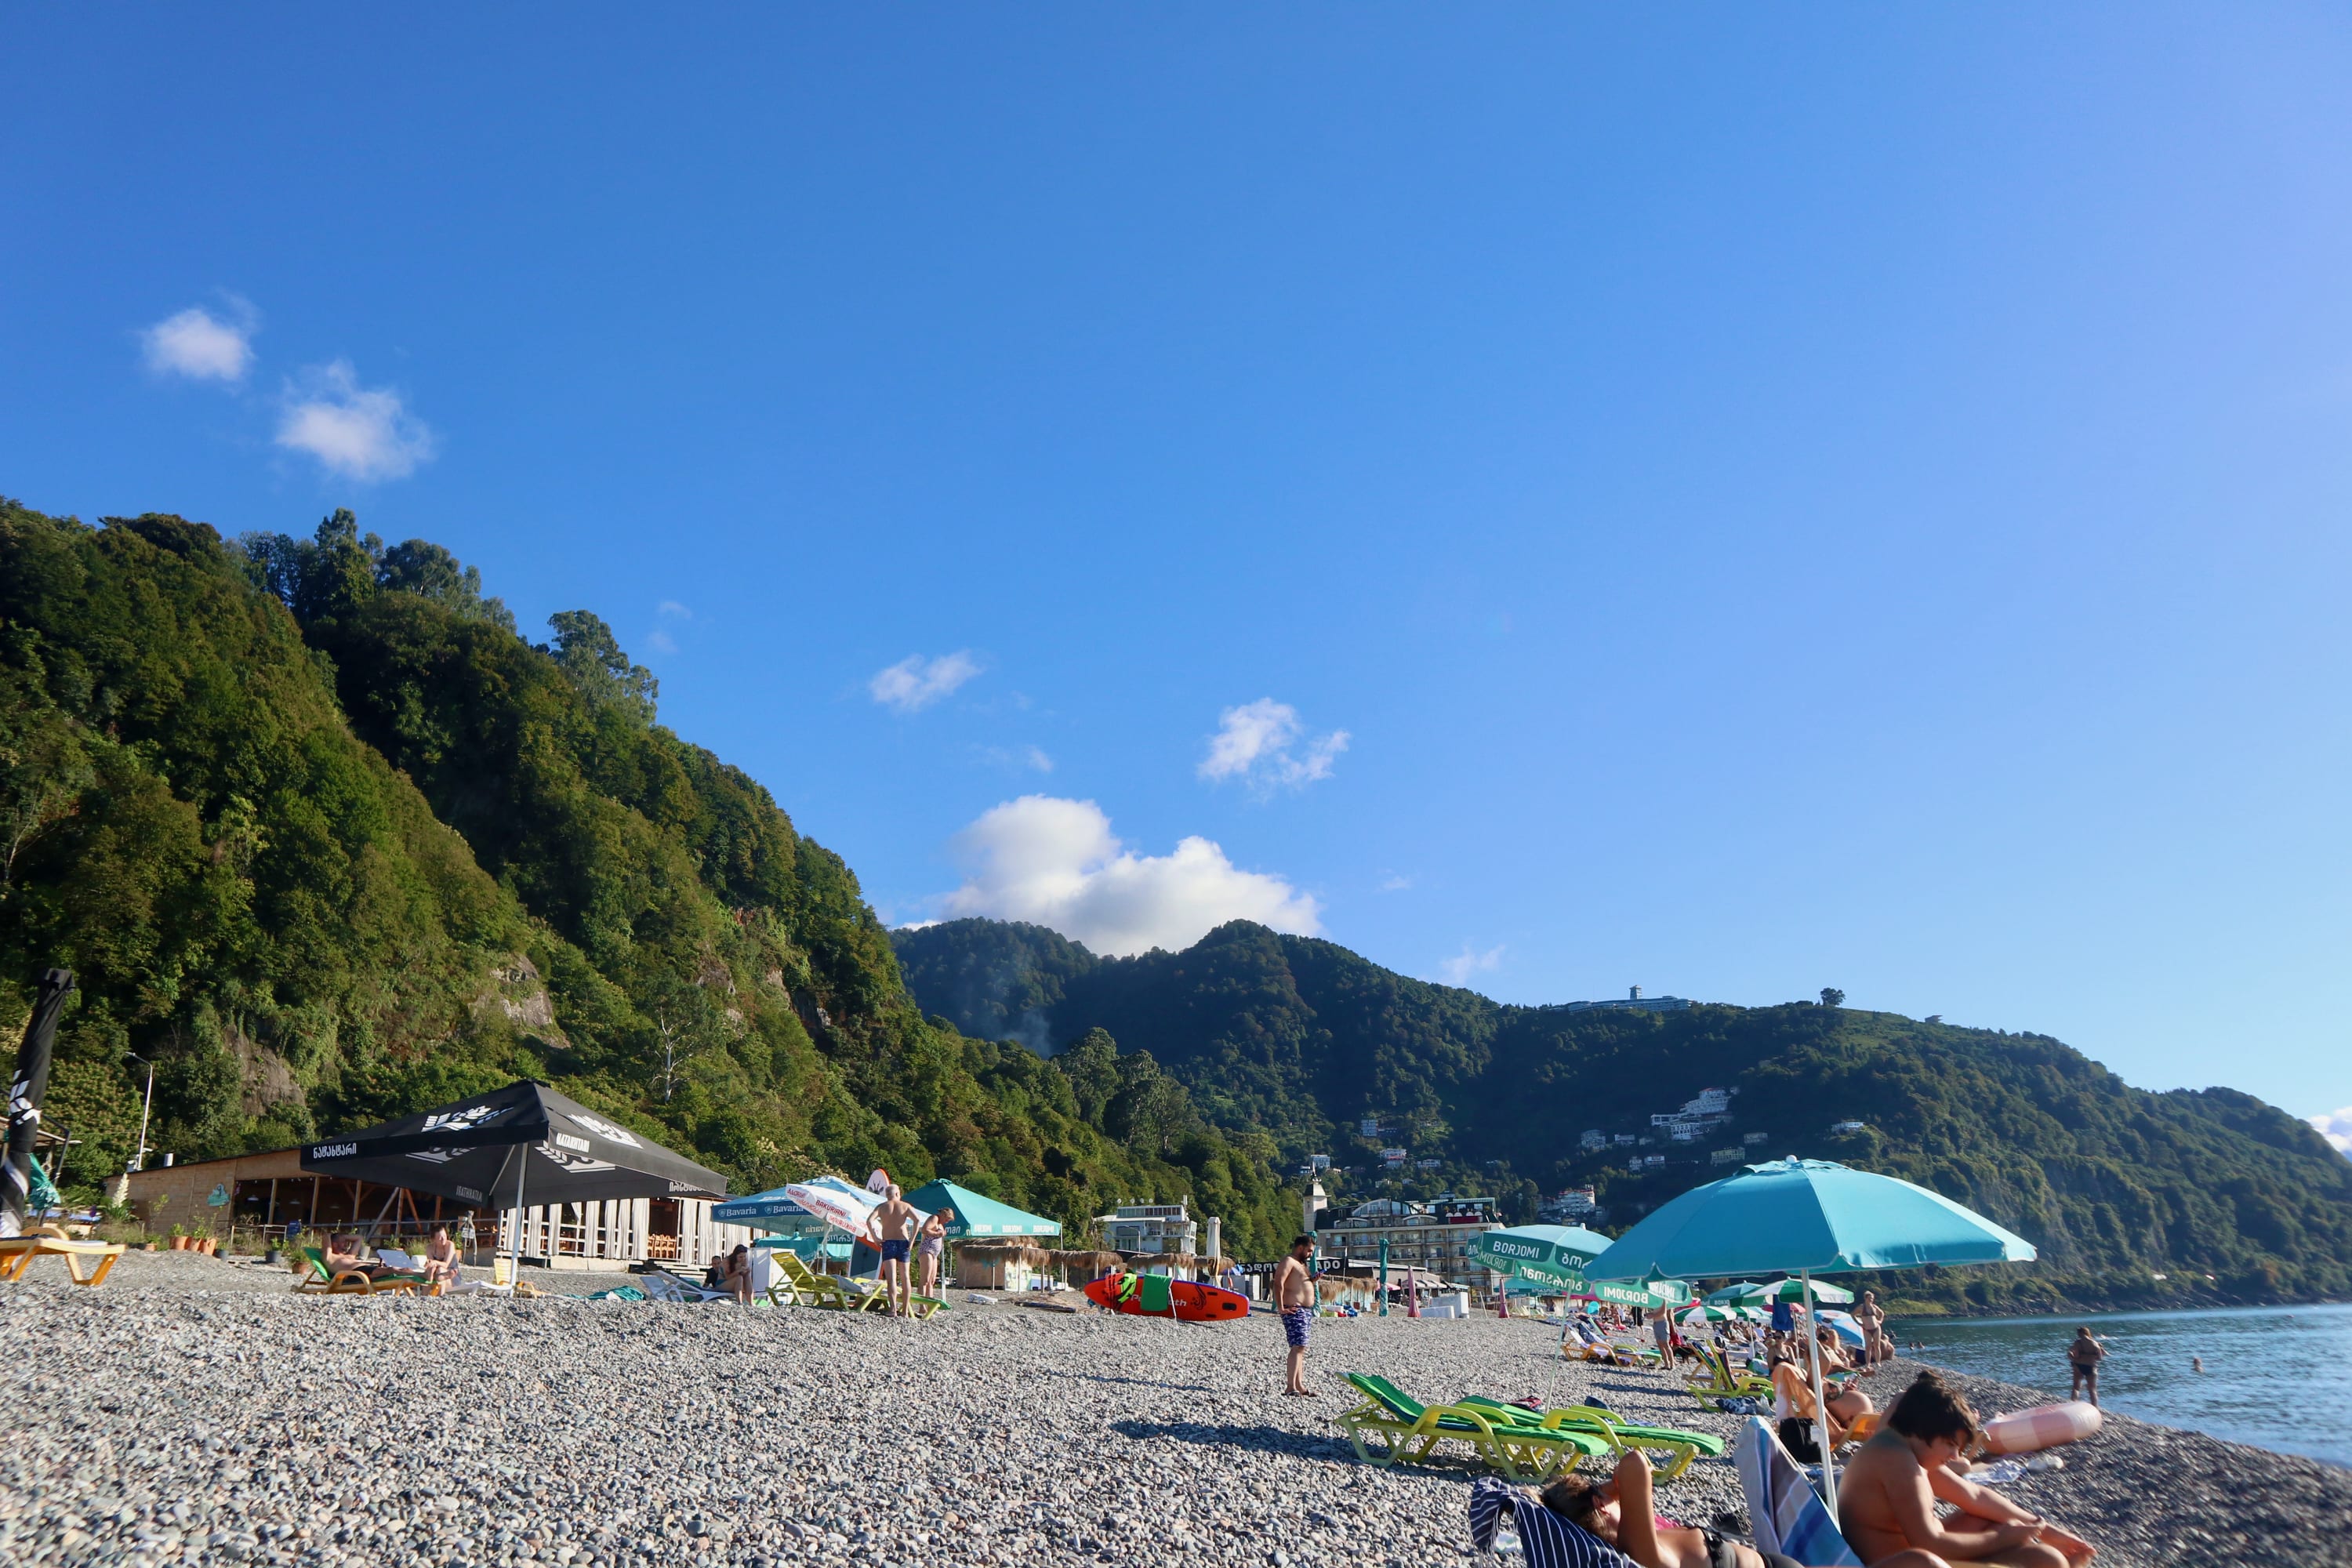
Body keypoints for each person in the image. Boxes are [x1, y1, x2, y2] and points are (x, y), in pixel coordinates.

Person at [1839, 1371, 2096, 1568]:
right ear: (1921, 1431)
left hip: (1913, 1552)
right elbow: (1929, 1543)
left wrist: (2046, 1531)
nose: (1955, 1456)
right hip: (1901, 1562)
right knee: (2045, 1560)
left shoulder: (1899, 1448)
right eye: (1950, 1445)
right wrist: (2003, 1539)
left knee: (1990, 1520)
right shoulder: (1898, 1463)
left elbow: (1974, 1496)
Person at [1535, 1448, 1806, 1568]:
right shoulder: (1639, 1551)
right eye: (1604, 1495)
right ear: (1600, 1505)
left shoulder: (1636, 1546)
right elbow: (1635, 1463)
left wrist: (1597, 1496)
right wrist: (1604, 1491)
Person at [863, 1183, 920, 1317]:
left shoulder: (882, 1207)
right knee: (905, 1277)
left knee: (891, 1278)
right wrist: (912, 1240)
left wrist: (875, 1237)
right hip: (903, 1242)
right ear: (897, 1194)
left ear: (887, 1195)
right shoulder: (905, 1206)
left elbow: (869, 1221)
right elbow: (917, 1220)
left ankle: (893, 1309)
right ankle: (905, 1311)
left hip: (888, 1243)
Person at [1273, 1234, 1316, 1396]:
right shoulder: (1288, 1261)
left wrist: (1313, 1281)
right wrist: (1281, 1307)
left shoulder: (1300, 1264)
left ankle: (1299, 1385)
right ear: (1300, 1248)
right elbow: (1278, 1283)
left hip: (1304, 1311)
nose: (1310, 1254)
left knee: (1301, 1348)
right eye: (1309, 1251)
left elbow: (1298, 1284)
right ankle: (1290, 1386)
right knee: (1297, 1347)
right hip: (1294, 1309)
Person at [916, 1206, 952, 1299]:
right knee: (925, 1280)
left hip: (934, 1253)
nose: (947, 1222)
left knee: (931, 1281)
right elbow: (924, 1229)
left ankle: (929, 1304)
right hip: (927, 1250)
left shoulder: (940, 1224)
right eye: (947, 1219)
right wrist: (937, 1234)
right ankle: (922, 1306)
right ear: (943, 1215)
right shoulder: (934, 1218)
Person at [2067, 1327, 2103, 1407]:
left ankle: (2073, 1405)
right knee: (2092, 1390)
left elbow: (2070, 1354)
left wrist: (2074, 1359)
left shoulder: (2078, 1343)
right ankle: (2095, 1408)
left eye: (2078, 1333)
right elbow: (2100, 1358)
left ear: (2080, 1333)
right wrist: (2090, 1357)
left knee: (2076, 1387)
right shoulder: (2095, 1343)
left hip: (2078, 1366)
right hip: (2091, 1367)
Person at [420, 1225, 462, 1290]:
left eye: (445, 1236)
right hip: (436, 1275)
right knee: (430, 1271)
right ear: (434, 1239)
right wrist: (429, 1263)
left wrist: (435, 1262)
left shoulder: (450, 1245)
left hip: (452, 1276)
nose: (443, 1239)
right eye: (440, 1237)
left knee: (440, 1270)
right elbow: (431, 1264)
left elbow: (446, 1265)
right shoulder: (430, 1248)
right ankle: (425, 1296)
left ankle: (439, 1295)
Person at [1854, 1290, 1888, 1366]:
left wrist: (1880, 1321)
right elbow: (1853, 1315)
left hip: (1876, 1328)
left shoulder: (1874, 1307)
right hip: (1867, 1329)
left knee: (1877, 1345)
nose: (1871, 1300)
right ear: (1866, 1298)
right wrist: (1859, 1323)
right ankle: (1868, 1363)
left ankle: (1878, 1362)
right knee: (1868, 1347)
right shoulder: (1861, 1307)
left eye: (1872, 1298)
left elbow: (1881, 1313)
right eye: (1870, 1298)